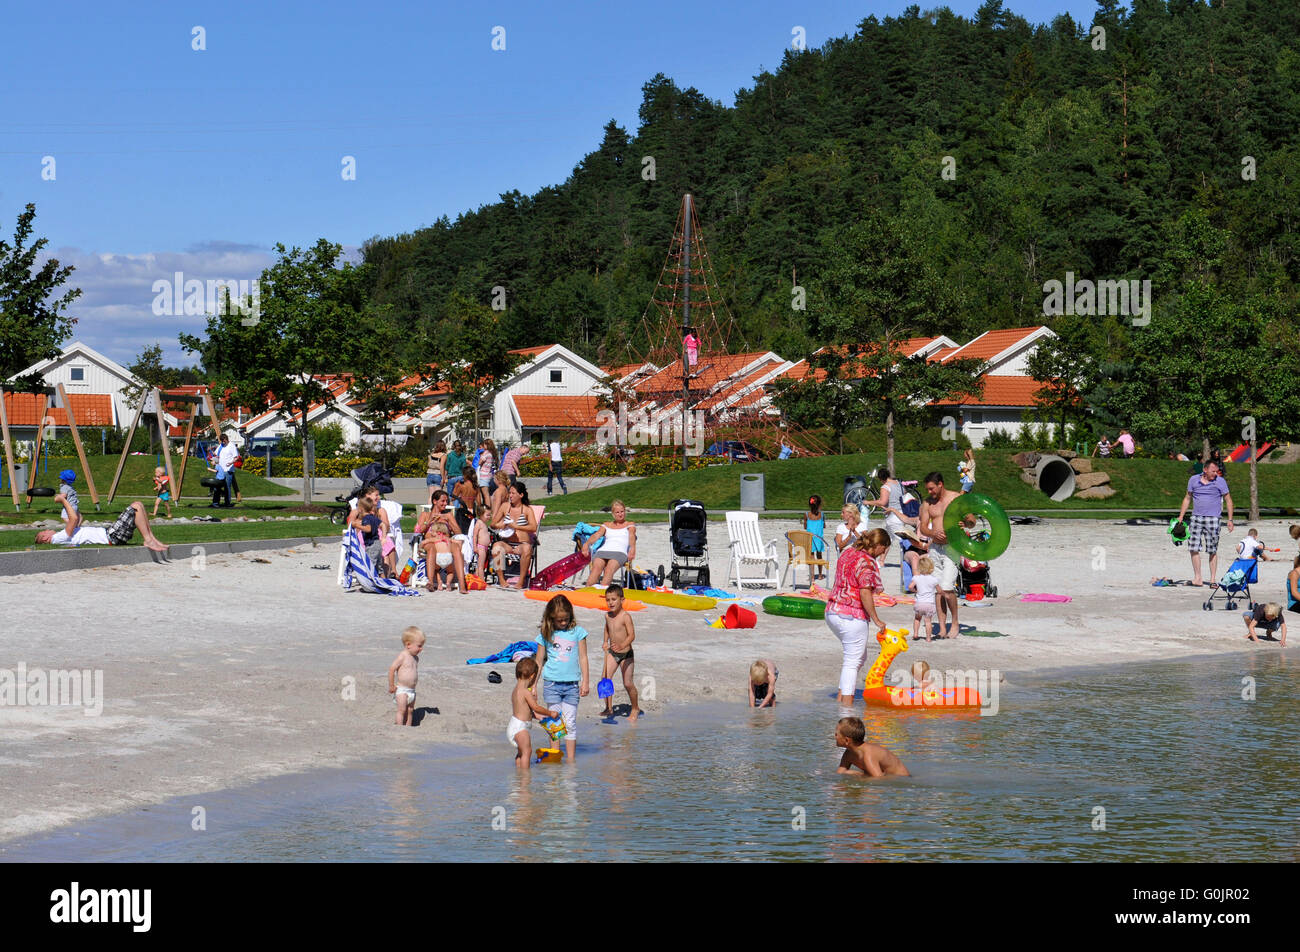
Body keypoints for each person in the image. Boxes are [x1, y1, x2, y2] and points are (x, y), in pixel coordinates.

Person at [824, 527, 892, 706]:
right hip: (851, 616)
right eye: (884, 548)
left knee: (858, 657)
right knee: (853, 661)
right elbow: (864, 593)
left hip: (832, 611)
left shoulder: (848, 552)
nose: (883, 552)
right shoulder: (867, 562)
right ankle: (846, 708)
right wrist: (876, 619)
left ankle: (841, 697)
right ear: (877, 545)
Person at [535, 594, 590, 760]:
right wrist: (533, 686)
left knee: (570, 723)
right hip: (551, 684)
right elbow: (539, 661)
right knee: (555, 723)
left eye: (566, 619)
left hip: (572, 685)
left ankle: (571, 761)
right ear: (551, 618)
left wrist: (585, 681)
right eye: (560, 620)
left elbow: (583, 657)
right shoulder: (545, 634)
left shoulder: (578, 633)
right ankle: (555, 757)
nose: (563, 623)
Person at [917, 472, 962, 639]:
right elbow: (923, 527)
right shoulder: (928, 503)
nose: (929, 492)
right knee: (937, 590)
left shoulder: (955, 498)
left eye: (932, 488)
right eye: (927, 489)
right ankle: (942, 627)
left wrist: (965, 523)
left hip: (952, 547)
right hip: (935, 548)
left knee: (948, 588)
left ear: (940, 484)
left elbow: (971, 520)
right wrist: (933, 533)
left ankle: (955, 622)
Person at [1176, 459, 1234, 587]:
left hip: (1213, 519)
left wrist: (1230, 520)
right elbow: (1187, 498)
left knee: (1212, 550)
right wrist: (1181, 516)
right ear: (1205, 470)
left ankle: (1213, 580)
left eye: (1216, 471)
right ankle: (1198, 578)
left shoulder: (1220, 481)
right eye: (1213, 471)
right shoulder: (1193, 480)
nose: (1215, 473)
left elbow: (1228, 500)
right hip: (1196, 518)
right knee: (1193, 548)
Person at [35, 498, 168, 552]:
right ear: (46, 539)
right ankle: (148, 540)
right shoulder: (57, 538)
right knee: (135, 507)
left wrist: (70, 500)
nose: (47, 530)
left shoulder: (62, 536)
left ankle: (152, 539)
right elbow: (74, 519)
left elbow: (78, 518)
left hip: (111, 534)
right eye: (44, 532)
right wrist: (63, 501)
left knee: (138, 504)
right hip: (111, 537)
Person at [508, 657, 560, 769]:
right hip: (520, 728)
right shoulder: (526, 692)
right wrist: (550, 713)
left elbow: (524, 711)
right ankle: (525, 776)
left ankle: (519, 776)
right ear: (532, 676)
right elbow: (535, 707)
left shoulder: (515, 690)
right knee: (527, 751)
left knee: (521, 753)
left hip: (514, 725)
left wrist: (538, 717)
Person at [599, 584, 640, 720]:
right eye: (608, 600)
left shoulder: (625, 616)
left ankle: (635, 708)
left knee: (627, 683)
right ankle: (609, 708)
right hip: (612, 652)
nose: (610, 603)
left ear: (622, 600)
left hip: (626, 654)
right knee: (605, 679)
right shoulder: (607, 616)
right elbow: (607, 629)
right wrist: (605, 641)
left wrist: (622, 644)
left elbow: (632, 635)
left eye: (613, 599)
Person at [490, 481, 538, 586]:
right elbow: (493, 524)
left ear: (521, 495)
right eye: (510, 493)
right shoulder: (505, 507)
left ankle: (520, 582)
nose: (510, 496)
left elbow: (533, 527)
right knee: (496, 547)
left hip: (521, 544)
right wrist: (500, 525)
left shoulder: (527, 510)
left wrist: (517, 527)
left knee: (527, 549)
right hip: (507, 543)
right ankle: (502, 580)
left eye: (513, 493)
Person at [582, 500, 637, 587]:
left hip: (619, 552)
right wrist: (586, 544)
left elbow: (632, 536)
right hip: (603, 551)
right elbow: (596, 535)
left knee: (609, 569)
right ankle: (587, 593)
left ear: (625, 512)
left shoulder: (630, 524)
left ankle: (603, 592)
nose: (620, 514)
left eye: (622, 511)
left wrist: (633, 549)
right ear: (613, 514)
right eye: (617, 512)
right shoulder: (606, 525)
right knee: (596, 569)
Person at [835, 717, 910, 777]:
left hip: (902, 779)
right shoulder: (849, 753)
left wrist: (859, 775)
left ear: (847, 740)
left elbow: (878, 780)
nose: (835, 737)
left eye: (836, 734)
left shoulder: (868, 754)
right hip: (885, 777)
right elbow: (840, 773)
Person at [387, 627, 424, 726]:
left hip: (412, 691)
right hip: (402, 690)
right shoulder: (403, 656)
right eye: (419, 646)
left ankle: (408, 728)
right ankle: (399, 727)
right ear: (408, 645)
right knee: (402, 710)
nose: (421, 649)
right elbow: (392, 669)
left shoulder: (416, 658)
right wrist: (391, 685)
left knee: (410, 710)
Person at [908, 555, 940, 641]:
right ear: (931, 568)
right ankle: (928, 638)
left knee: (917, 618)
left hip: (919, 603)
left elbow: (910, 586)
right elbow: (939, 590)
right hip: (929, 604)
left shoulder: (916, 578)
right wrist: (943, 593)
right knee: (928, 621)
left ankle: (915, 634)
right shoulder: (934, 579)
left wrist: (915, 591)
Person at [423, 521, 456, 591]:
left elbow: (424, 542)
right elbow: (457, 542)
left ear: (437, 532)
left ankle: (439, 582)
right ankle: (448, 583)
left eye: (432, 531)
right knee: (450, 572)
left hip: (439, 557)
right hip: (448, 557)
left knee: (435, 570)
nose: (431, 533)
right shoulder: (447, 539)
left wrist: (420, 546)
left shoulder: (435, 539)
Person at [802, 494, 827, 581]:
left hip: (810, 539)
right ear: (819, 504)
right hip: (819, 538)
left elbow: (805, 527)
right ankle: (820, 575)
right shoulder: (822, 515)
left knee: (811, 557)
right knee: (819, 556)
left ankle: (812, 576)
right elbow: (824, 525)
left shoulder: (806, 515)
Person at [213, 433, 239, 507]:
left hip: (228, 470)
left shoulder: (231, 446)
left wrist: (231, 463)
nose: (223, 443)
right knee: (217, 486)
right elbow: (216, 454)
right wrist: (215, 460)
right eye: (222, 441)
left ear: (226, 439)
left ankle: (227, 503)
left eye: (224, 441)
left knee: (227, 487)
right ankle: (215, 503)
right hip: (220, 470)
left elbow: (236, 457)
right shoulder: (221, 446)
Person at [54, 468, 82, 538]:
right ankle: (77, 526)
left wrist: (58, 497)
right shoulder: (70, 487)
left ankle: (72, 526)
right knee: (79, 517)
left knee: (64, 517)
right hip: (75, 505)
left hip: (69, 506)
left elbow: (63, 496)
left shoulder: (64, 487)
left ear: (63, 479)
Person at [477, 440, 497, 509]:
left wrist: (481, 455)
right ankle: (490, 508)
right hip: (489, 475)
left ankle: (488, 509)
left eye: (484, 444)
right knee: (488, 494)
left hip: (483, 475)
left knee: (485, 494)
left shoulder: (485, 453)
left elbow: (479, 462)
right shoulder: (491, 453)